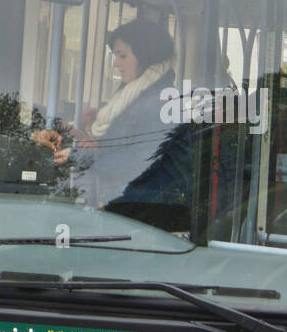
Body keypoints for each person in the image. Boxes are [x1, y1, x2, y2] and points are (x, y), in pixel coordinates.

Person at [33, 18, 185, 211]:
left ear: (146, 55)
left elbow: (142, 162)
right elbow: (121, 148)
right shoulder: (135, 95)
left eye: (122, 56)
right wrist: (81, 137)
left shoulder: (159, 102)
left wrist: (80, 155)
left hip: (133, 209)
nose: (115, 63)